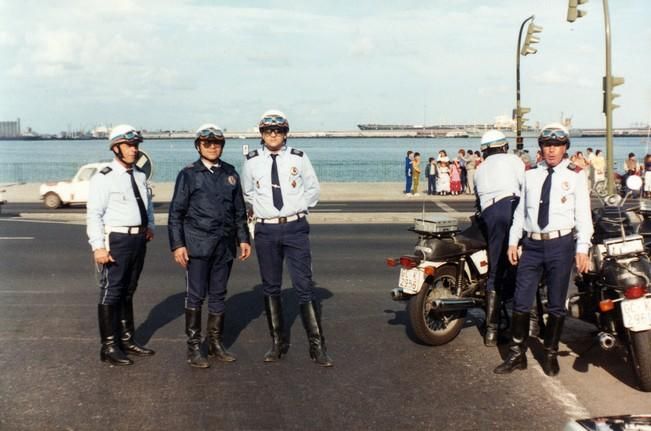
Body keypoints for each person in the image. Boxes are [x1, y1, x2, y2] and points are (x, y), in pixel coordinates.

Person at [494, 123, 592, 377]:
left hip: (561, 244)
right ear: (541, 148)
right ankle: (517, 354)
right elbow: (520, 211)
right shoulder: (530, 174)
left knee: (557, 304)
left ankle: (549, 352)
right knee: (521, 301)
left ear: (565, 148)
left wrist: (582, 248)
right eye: (547, 145)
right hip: (533, 244)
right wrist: (514, 241)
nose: (551, 150)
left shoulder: (576, 175)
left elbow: (583, 215)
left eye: (557, 145)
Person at [241, 109, 333, 367]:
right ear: (261, 133)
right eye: (268, 130)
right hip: (266, 230)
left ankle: (317, 346)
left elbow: (313, 189)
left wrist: (295, 207)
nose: (273, 135)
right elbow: (247, 193)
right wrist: (266, 212)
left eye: (278, 130)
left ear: (285, 133)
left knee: (304, 285)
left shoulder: (299, 158)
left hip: (295, 227)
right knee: (271, 286)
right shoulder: (251, 161)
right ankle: (277, 343)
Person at [168, 124, 251, 368]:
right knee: (195, 296)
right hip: (198, 245)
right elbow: (176, 213)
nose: (213, 147)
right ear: (198, 146)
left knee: (218, 295)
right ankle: (194, 347)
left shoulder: (230, 173)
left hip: (224, 246)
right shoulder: (189, 174)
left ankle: (215, 343)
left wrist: (243, 238)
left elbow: (239, 212)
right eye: (207, 143)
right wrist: (178, 245)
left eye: (217, 143)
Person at [86, 124, 155, 366]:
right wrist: (98, 246)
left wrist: (150, 227)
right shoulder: (104, 177)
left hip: (138, 239)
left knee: (128, 290)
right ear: (115, 148)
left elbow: (147, 205)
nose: (134, 150)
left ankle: (127, 340)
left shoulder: (139, 175)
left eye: (136, 146)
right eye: (128, 146)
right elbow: (94, 214)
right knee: (111, 291)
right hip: (116, 240)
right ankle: (109, 346)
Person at [473, 130, 525, 346]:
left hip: (489, 214)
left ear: (484, 151)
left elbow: (477, 199)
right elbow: (526, 188)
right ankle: (521, 322)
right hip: (510, 206)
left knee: (496, 267)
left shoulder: (479, 169)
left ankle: (491, 330)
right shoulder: (513, 160)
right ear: (503, 146)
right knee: (520, 264)